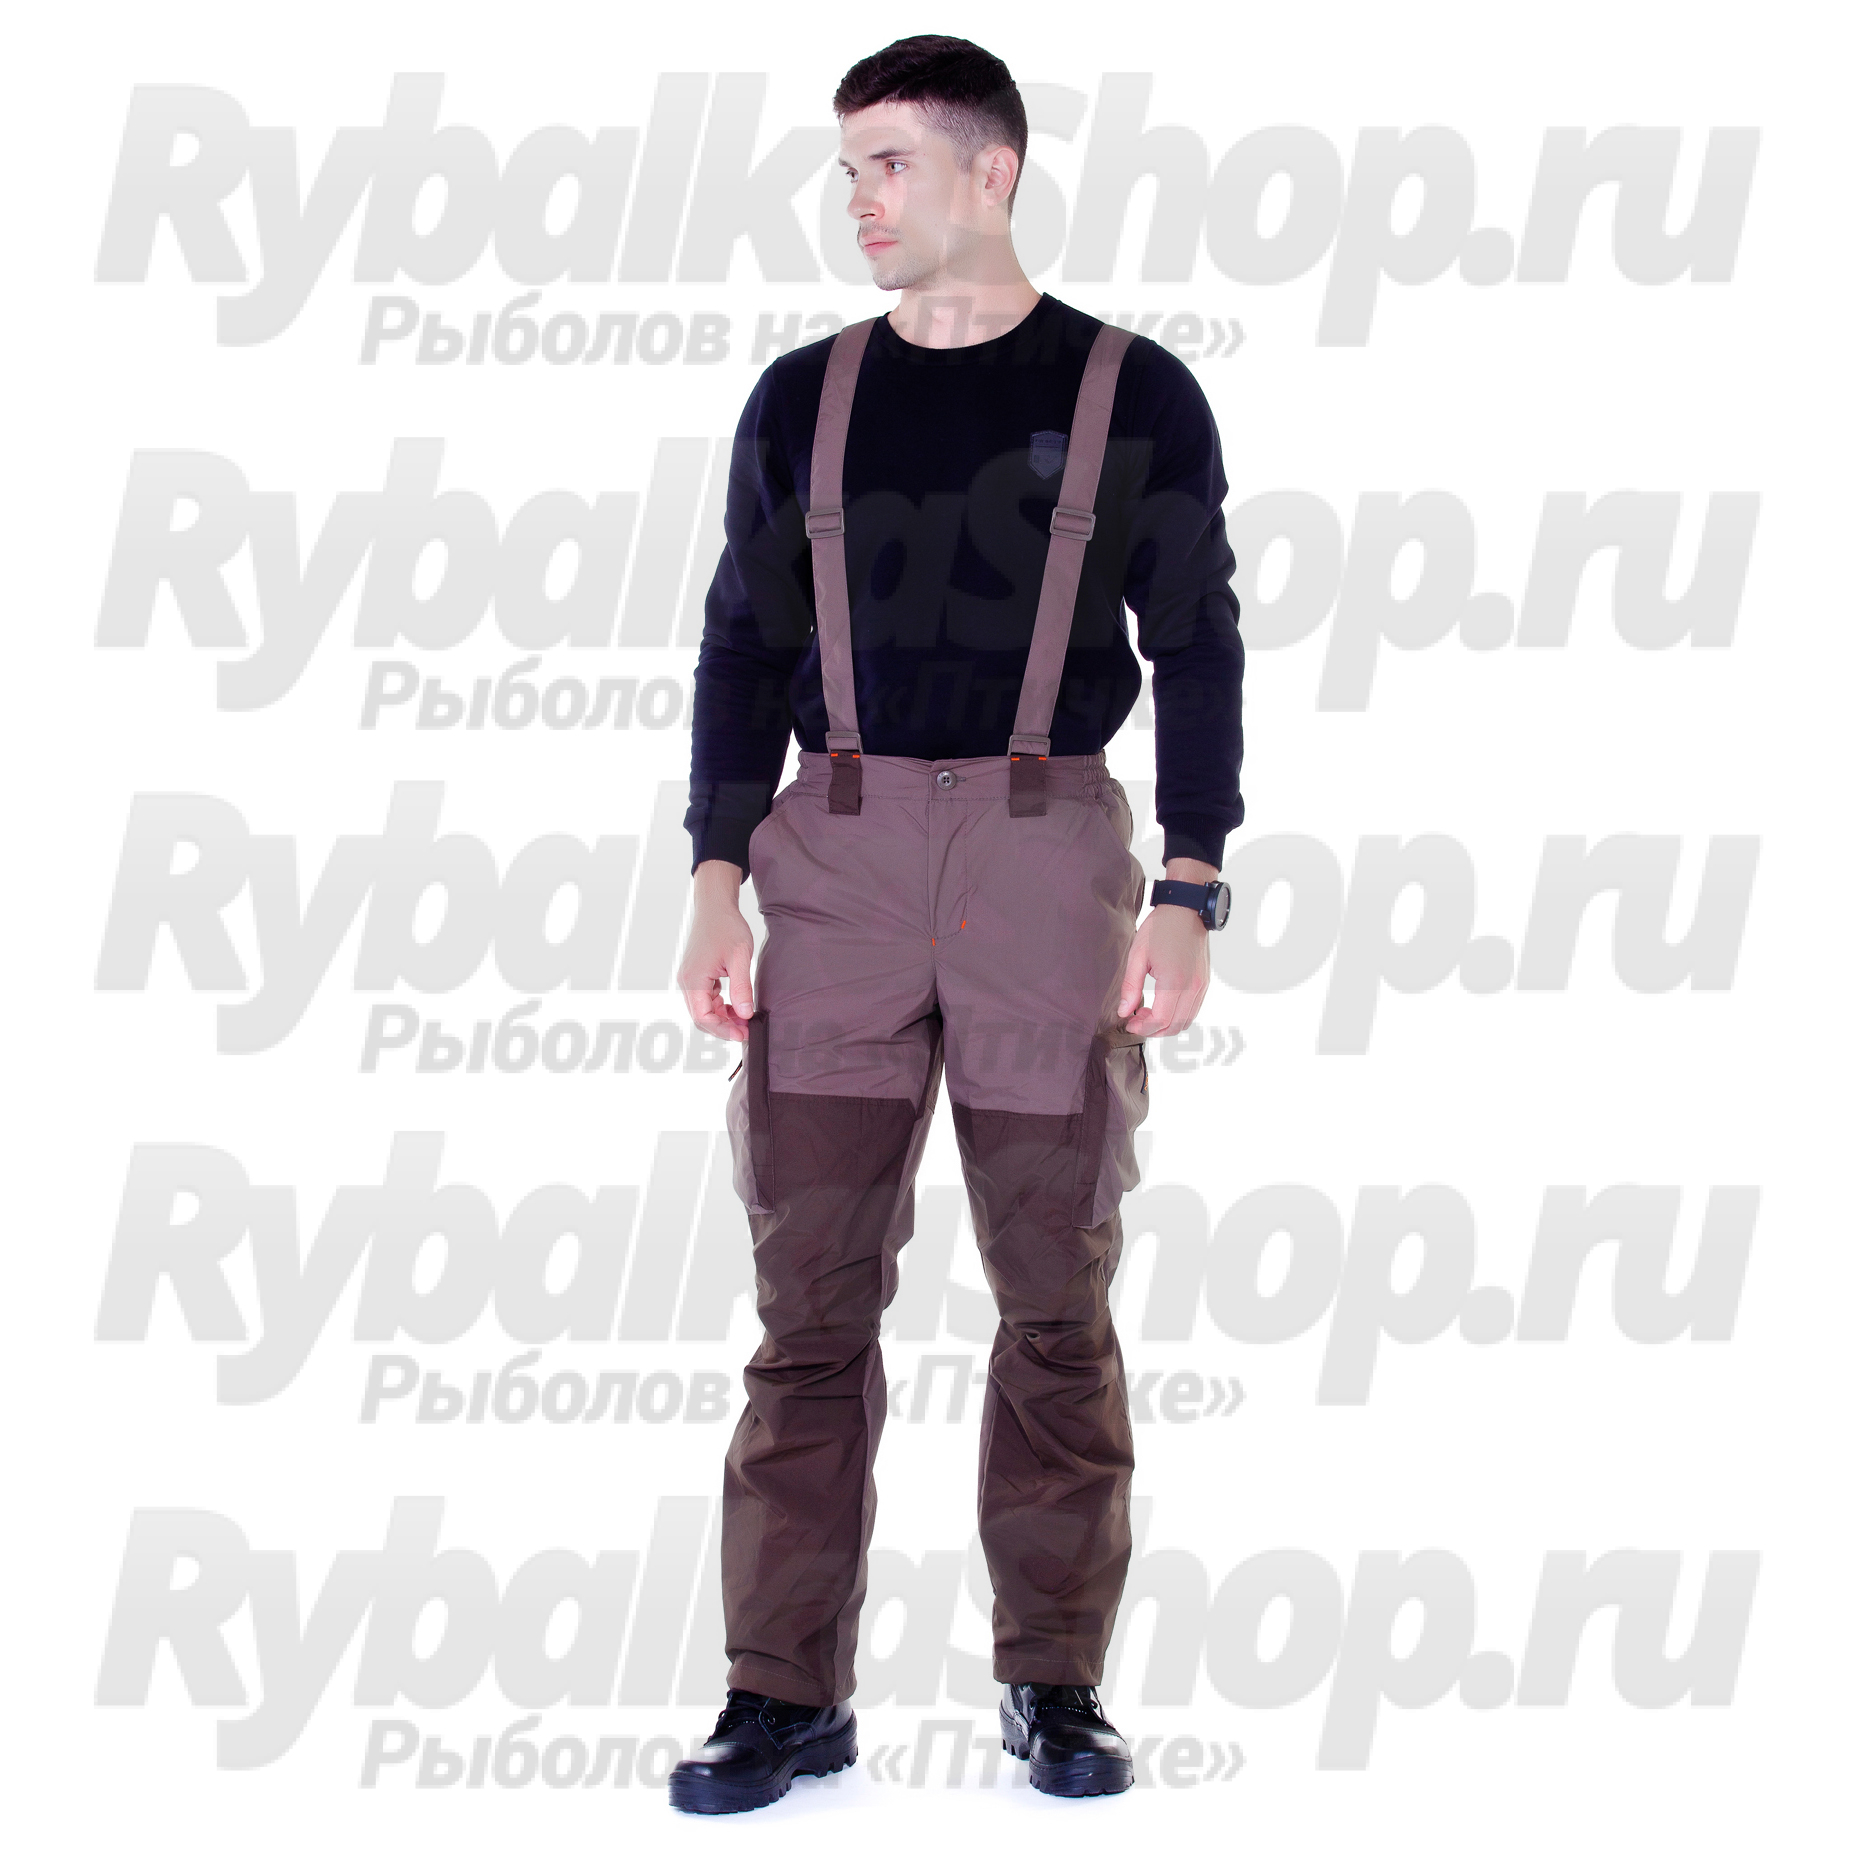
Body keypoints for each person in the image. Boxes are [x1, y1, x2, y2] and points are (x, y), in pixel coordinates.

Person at [669, 34, 1243, 1814]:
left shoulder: (1132, 394)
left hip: (1043, 857)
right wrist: (711, 873)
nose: (857, 198)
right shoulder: (802, 398)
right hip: (831, 863)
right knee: (807, 1307)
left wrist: (1191, 881)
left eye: (890, 164)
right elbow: (741, 642)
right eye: (847, 167)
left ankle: (1051, 1681)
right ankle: (781, 1694)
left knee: (1054, 1295)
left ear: (991, 173)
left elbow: (1196, 642)